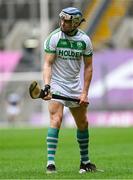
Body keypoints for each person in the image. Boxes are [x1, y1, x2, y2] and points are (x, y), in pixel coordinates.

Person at [42, 7, 97, 174]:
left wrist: (84, 93)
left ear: (75, 23)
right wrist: (47, 86)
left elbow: (88, 67)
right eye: (62, 19)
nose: (62, 23)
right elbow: (48, 64)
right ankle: (50, 163)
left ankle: (85, 162)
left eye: (66, 20)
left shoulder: (85, 40)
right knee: (56, 119)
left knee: (83, 123)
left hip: (75, 87)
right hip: (57, 85)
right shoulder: (54, 37)